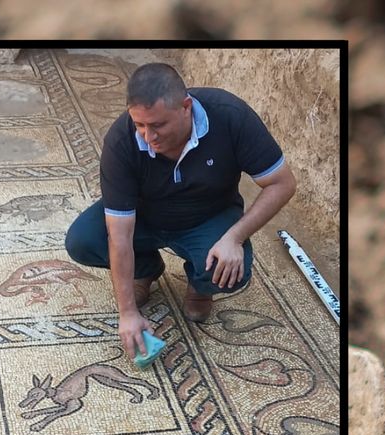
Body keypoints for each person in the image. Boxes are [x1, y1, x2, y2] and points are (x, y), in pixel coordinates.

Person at [65, 62, 297, 359]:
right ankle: (146, 269)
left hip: (208, 216)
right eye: (140, 124)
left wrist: (235, 237)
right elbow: (120, 236)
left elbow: (282, 183)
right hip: (144, 217)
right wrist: (128, 313)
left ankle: (200, 285)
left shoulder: (230, 116)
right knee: (82, 241)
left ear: (186, 107)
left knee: (230, 272)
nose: (148, 137)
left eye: (158, 125)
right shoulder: (122, 140)